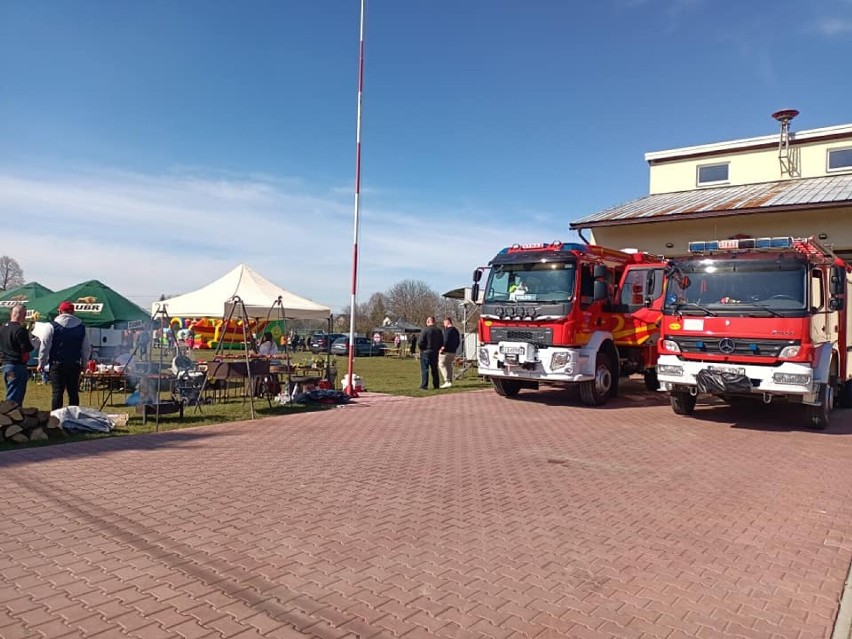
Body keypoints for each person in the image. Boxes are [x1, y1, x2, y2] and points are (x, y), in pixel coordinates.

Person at [38, 301, 91, 410]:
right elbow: (86, 348)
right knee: (73, 393)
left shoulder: (52, 326)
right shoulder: (81, 327)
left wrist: (41, 363)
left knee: (57, 392)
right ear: (73, 312)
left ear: (60, 311)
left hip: (57, 364)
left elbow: (45, 346)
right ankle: (73, 417)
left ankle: (56, 419)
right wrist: (85, 364)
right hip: (74, 364)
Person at [0, 304, 35, 406]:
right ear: (22, 315)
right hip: (17, 366)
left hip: (6, 365)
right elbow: (27, 348)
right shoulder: (20, 330)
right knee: (15, 397)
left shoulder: (2, 328)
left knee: (11, 391)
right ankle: (9, 418)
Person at [417, 316, 444, 390]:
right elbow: (441, 342)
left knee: (425, 369)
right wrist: (437, 348)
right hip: (435, 351)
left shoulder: (425, 330)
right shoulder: (439, 331)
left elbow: (420, 342)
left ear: (428, 321)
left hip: (426, 351)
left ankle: (424, 385)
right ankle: (436, 385)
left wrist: (421, 348)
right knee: (434, 368)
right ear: (434, 321)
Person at [438, 317, 461, 388]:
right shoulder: (456, 330)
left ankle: (447, 380)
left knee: (441, 364)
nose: (444, 325)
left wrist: (442, 347)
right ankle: (450, 380)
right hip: (453, 351)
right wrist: (455, 348)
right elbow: (458, 341)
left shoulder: (447, 330)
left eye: (444, 323)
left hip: (446, 351)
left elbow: (446, 339)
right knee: (449, 365)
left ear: (447, 322)